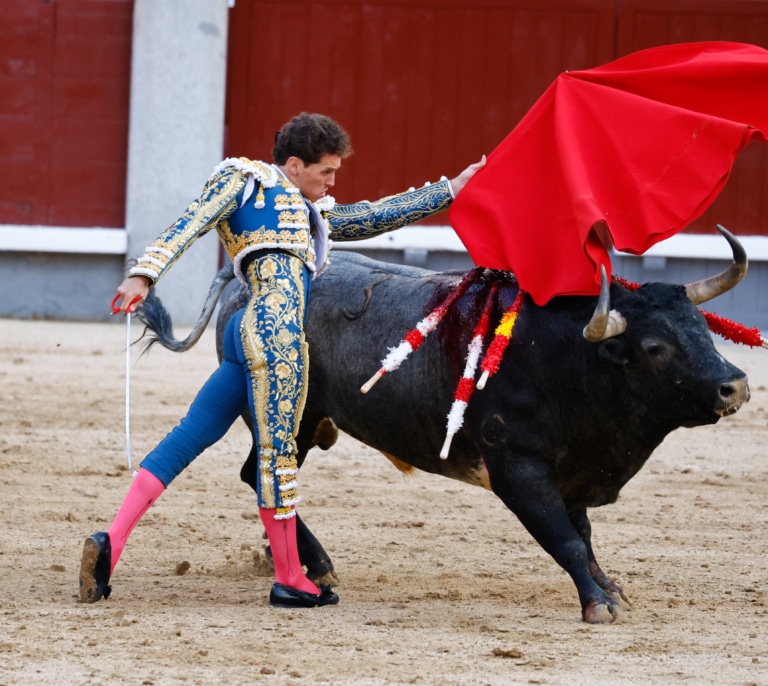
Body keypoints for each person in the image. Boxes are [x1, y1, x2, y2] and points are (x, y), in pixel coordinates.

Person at [79, 112, 486, 608]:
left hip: (240, 331)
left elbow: (379, 214)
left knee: (190, 435)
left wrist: (450, 189)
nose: (333, 182)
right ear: (294, 165)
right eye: (325, 172)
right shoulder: (245, 179)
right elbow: (191, 219)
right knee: (278, 458)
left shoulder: (306, 209)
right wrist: (144, 275)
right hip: (275, 333)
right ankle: (291, 577)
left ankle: (112, 541)